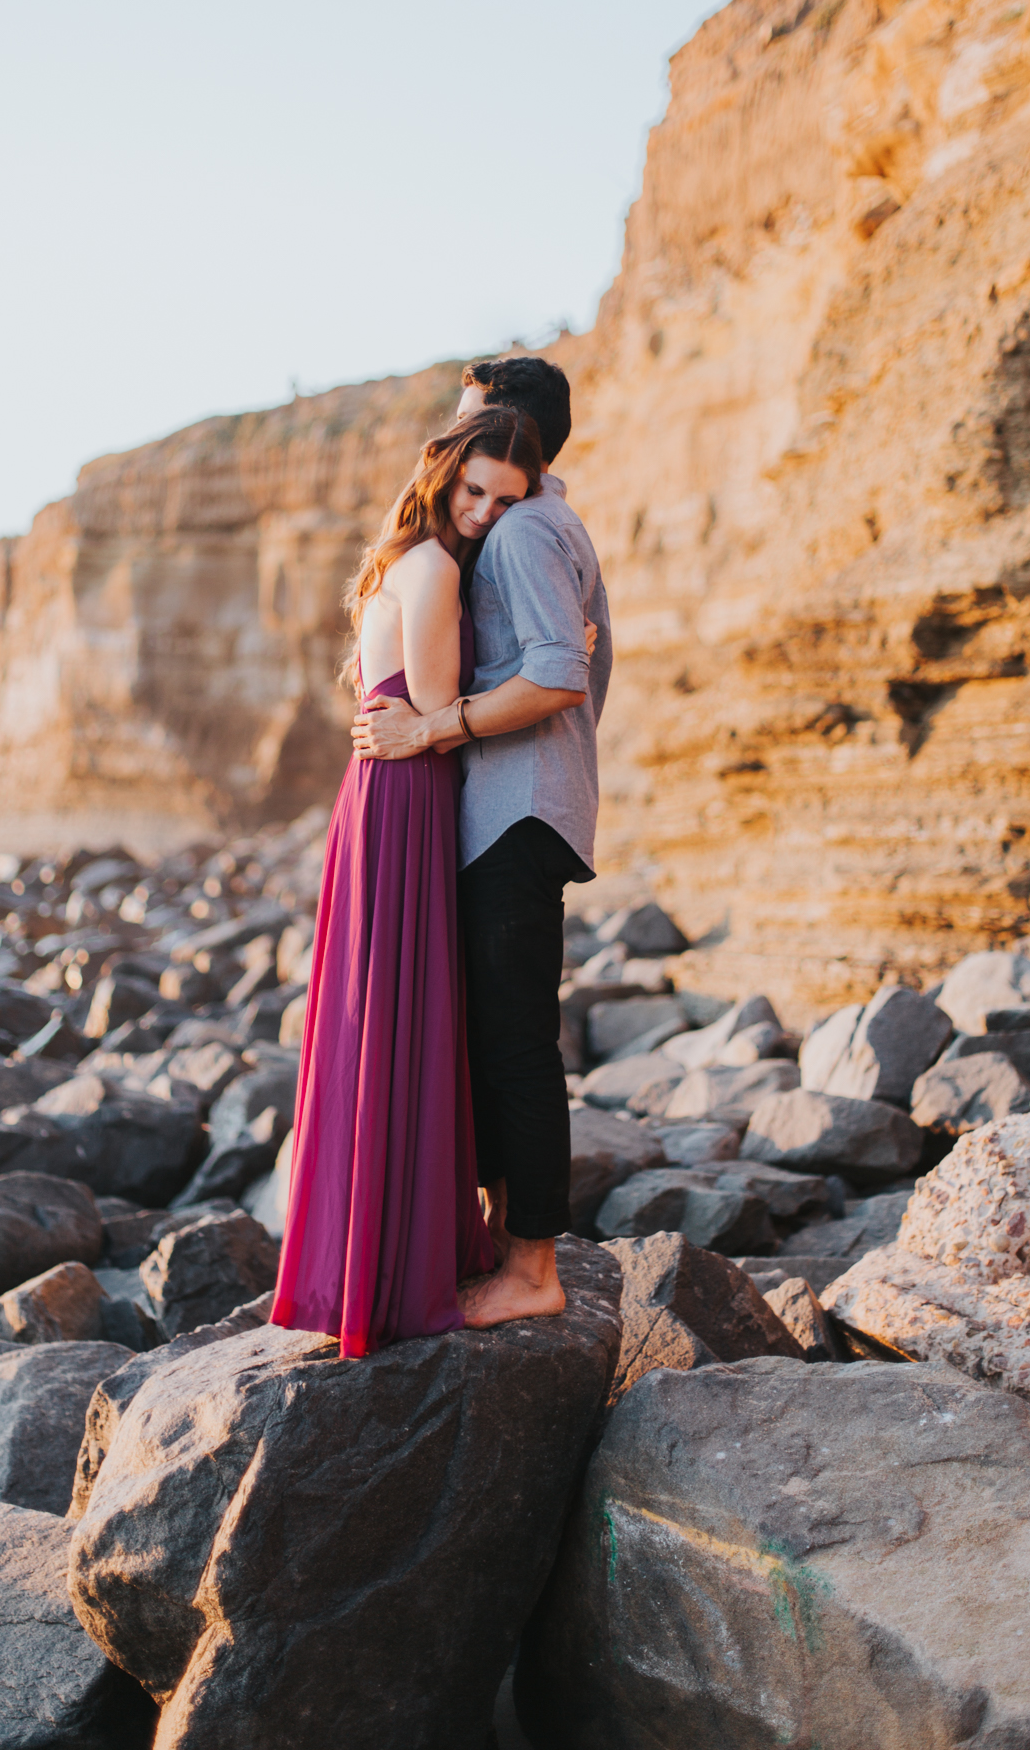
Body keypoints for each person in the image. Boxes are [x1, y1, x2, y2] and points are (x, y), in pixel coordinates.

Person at [270, 404, 546, 1357]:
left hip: (388, 789)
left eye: (506, 502)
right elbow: (432, 708)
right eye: (474, 490)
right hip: (408, 790)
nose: (483, 513)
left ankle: (372, 1254)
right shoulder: (430, 569)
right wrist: (549, 666)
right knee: (399, 1012)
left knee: (388, 1014)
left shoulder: (404, 561)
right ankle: (392, 1267)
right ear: (444, 474)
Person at [352, 354, 612, 1329]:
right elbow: (589, 661)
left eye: (468, 420)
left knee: (512, 1048)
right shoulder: (543, 522)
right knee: (498, 1040)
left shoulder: (523, 533)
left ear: (508, 429)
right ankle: (506, 1246)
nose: (452, 435)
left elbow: (559, 676)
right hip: (522, 804)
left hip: (515, 813)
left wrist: (435, 727)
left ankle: (531, 1267)